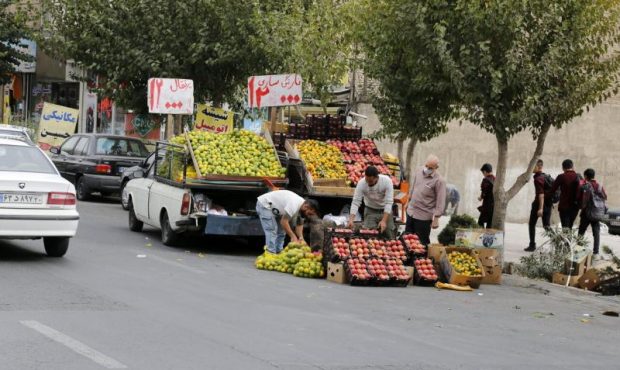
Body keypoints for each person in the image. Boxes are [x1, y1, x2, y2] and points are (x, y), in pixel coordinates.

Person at [405, 155, 446, 246]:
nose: (427, 168)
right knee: (407, 240)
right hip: (411, 212)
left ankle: (423, 259)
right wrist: (408, 201)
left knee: (421, 244)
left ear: (436, 168)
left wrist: (436, 218)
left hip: (423, 217)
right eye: (426, 166)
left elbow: (440, 201)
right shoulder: (419, 171)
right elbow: (414, 187)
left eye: (430, 168)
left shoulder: (439, 181)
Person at [347, 166, 395, 238]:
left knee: (389, 235)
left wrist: (384, 220)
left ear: (377, 177)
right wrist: (351, 219)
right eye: (367, 180)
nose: (368, 183)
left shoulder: (386, 181)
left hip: (385, 210)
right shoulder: (361, 183)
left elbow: (389, 202)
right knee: (368, 236)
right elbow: (356, 202)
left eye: (371, 181)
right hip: (370, 210)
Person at [524, 159, 553, 252]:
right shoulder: (546, 176)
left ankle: (532, 245)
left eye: (533, 166)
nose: (530, 168)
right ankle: (558, 242)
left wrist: (540, 208)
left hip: (539, 205)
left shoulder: (538, 179)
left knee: (531, 224)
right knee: (547, 227)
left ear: (538, 167)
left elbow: (541, 194)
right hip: (548, 205)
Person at [577, 168, 607, 256]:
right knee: (596, 232)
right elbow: (605, 197)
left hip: (587, 213)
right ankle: (596, 252)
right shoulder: (600, 186)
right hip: (597, 213)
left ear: (586, 176)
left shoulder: (586, 186)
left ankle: (578, 250)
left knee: (581, 231)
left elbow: (583, 201)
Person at [550, 159, 581, 229]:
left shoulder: (561, 177)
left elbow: (552, 190)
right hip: (575, 207)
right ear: (572, 167)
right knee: (570, 227)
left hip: (564, 206)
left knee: (565, 227)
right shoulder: (578, 177)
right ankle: (569, 239)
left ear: (563, 168)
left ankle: (567, 239)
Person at [477, 163, 495, 228]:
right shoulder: (495, 179)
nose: (483, 174)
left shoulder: (486, 180)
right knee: (489, 224)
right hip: (493, 206)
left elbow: (484, 191)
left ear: (484, 171)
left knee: (480, 222)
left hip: (487, 205)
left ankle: (481, 236)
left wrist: (481, 197)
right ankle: (487, 237)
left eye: (483, 172)